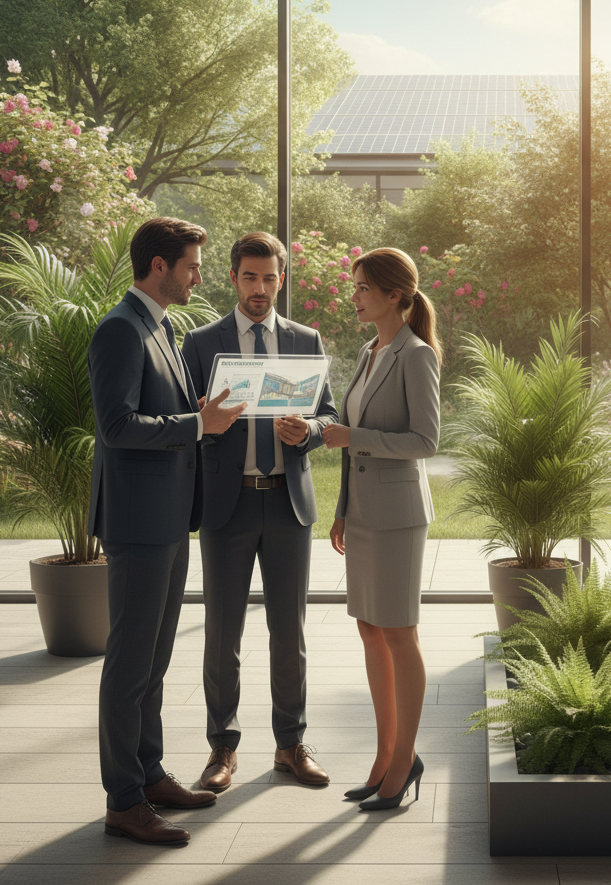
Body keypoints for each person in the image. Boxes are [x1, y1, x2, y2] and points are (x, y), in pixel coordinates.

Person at [89, 217, 246, 845]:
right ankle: (123, 800)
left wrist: (204, 419)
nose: (199, 275)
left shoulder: (162, 325)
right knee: (129, 664)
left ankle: (149, 772)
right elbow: (117, 426)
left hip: (170, 518)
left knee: (154, 660)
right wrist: (198, 424)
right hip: (137, 522)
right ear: (159, 266)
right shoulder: (120, 330)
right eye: (191, 265)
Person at [181, 232, 338, 791]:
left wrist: (311, 431)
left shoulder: (304, 338)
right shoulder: (200, 344)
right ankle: (222, 750)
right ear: (233, 278)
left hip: (289, 501)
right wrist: (199, 418)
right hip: (227, 504)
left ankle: (290, 744)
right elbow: (182, 422)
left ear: (282, 278)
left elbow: (328, 413)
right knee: (222, 633)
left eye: (270, 277)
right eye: (251, 277)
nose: (261, 288)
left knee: (287, 631)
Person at [324, 247, 441, 811]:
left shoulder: (416, 356)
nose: (356, 295)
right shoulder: (371, 350)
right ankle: (385, 756)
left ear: (395, 295)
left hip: (398, 518)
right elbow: (352, 434)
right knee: (370, 631)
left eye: (364, 287)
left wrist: (352, 439)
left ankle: (403, 764)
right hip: (365, 516)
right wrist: (343, 508)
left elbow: (426, 443)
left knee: (400, 634)